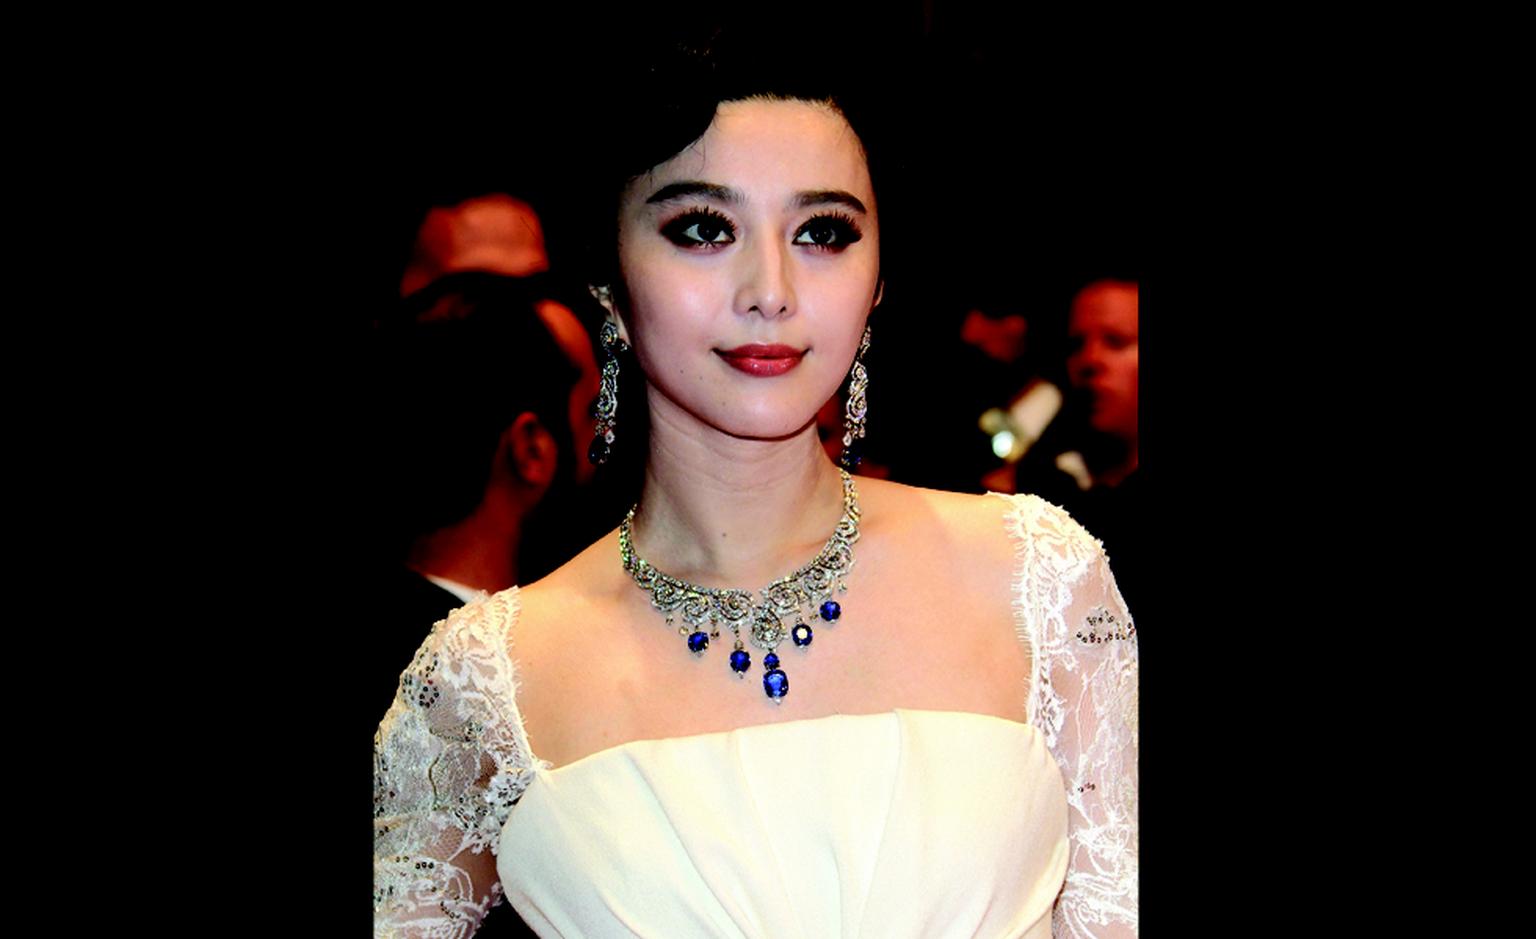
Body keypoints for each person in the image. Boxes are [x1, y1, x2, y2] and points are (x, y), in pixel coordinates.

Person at [373, 32, 1137, 938]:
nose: (769, 289)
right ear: (608, 284)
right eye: (703, 228)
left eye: (823, 232)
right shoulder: (478, 683)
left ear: (880, 279)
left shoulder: (1041, 581)